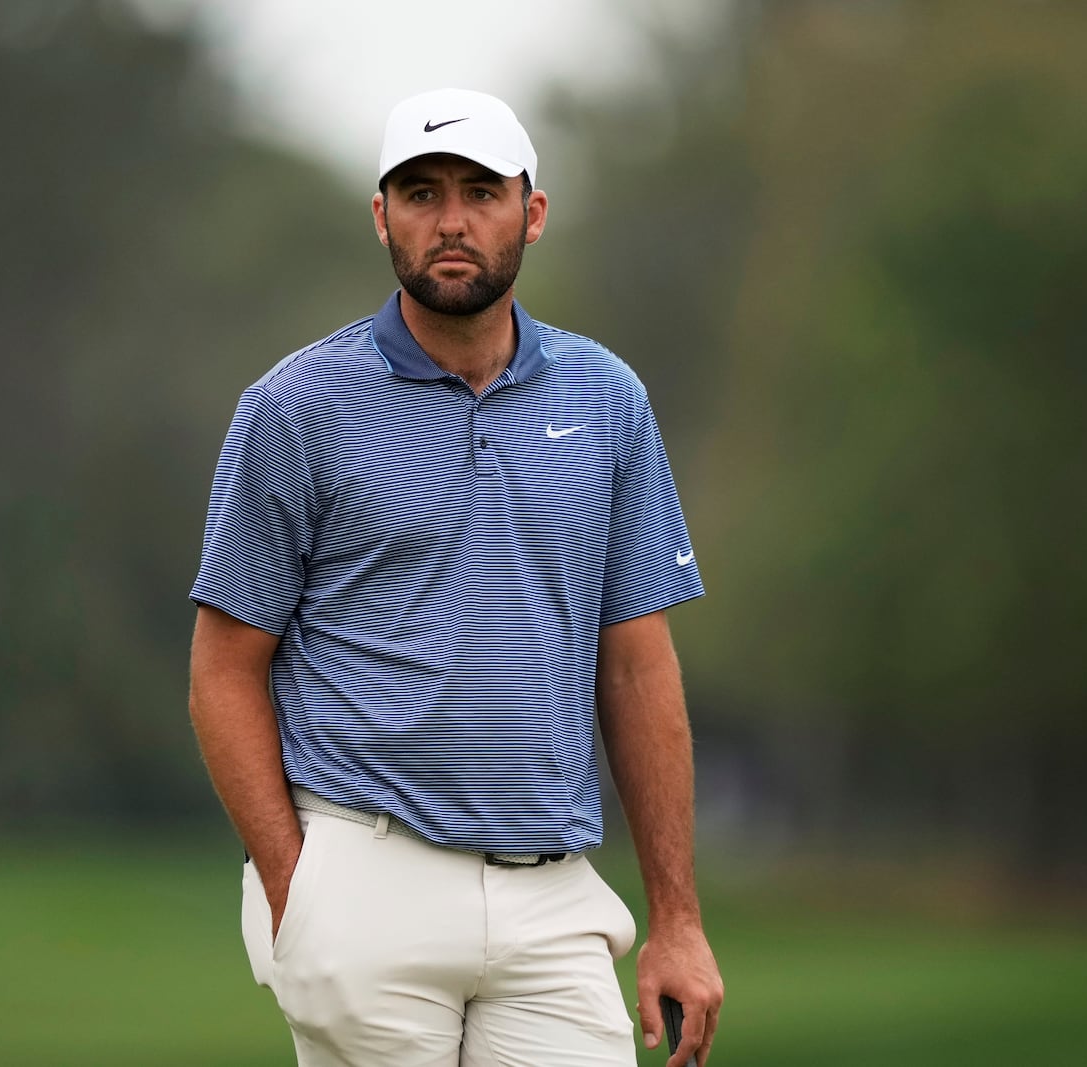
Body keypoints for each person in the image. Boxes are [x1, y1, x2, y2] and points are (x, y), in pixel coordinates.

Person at [188, 87, 723, 1067]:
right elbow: (224, 667)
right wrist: (291, 885)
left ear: (533, 210)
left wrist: (677, 918)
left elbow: (638, 668)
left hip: (554, 893)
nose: (452, 219)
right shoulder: (293, 406)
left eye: (481, 191)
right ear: (382, 214)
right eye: (421, 192)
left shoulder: (606, 399)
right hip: (363, 873)